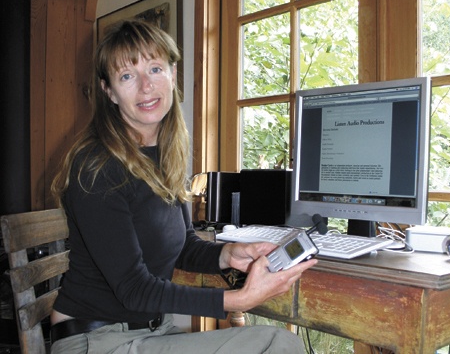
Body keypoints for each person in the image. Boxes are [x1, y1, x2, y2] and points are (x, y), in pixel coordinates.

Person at [49, 19, 317, 354]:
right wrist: (239, 298)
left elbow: (184, 245)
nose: (146, 86)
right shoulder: (96, 165)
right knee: (277, 344)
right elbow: (134, 289)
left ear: (173, 74)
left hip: (151, 332)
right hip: (95, 341)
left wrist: (227, 254)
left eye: (155, 68)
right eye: (127, 76)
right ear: (109, 91)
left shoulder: (162, 155)